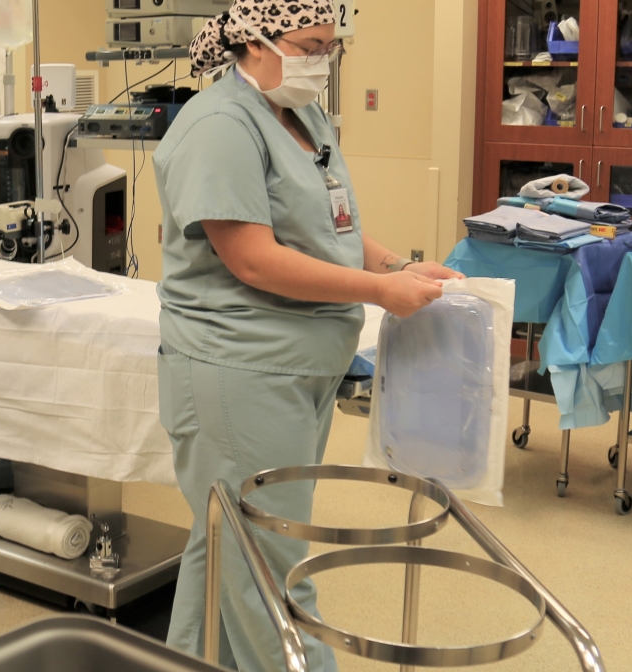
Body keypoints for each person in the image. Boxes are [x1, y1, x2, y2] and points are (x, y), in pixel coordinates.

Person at [154, 2, 465, 671]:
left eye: (332, 46)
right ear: (255, 42)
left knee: (225, 546)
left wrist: (396, 265)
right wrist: (382, 293)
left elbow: (334, 230)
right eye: (309, 45)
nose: (321, 60)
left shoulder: (301, 116)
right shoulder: (219, 126)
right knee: (266, 558)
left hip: (299, 368)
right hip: (239, 370)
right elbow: (253, 259)